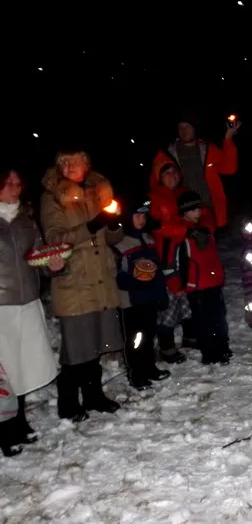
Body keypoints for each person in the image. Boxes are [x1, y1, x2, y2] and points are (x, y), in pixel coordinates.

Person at [40, 150, 125, 420]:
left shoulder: (98, 191)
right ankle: (68, 402)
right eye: (64, 163)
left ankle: (93, 396)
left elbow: (113, 238)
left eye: (74, 162)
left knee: (95, 344)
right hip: (74, 281)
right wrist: (91, 226)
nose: (69, 167)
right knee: (77, 349)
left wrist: (113, 224)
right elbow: (56, 238)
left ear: (85, 164)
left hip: (100, 278)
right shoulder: (53, 197)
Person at [0, 167, 60, 454]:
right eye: (8, 183)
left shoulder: (26, 221)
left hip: (28, 302)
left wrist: (53, 264)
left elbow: (38, 257)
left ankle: (20, 421)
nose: (16, 188)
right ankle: (5, 430)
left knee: (23, 365)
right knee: (5, 371)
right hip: (2, 306)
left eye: (18, 183)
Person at [148, 156, 215, 361]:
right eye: (167, 173)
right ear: (158, 176)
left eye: (174, 171)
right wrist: (184, 230)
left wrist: (204, 229)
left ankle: (190, 336)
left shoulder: (185, 193)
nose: (172, 176)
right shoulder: (153, 197)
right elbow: (156, 226)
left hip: (188, 252)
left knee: (188, 296)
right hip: (166, 254)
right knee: (170, 301)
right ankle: (166, 345)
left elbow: (205, 213)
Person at [113, 201, 171, 390]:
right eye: (137, 216)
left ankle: (149, 367)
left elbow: (157, 271)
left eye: (144, 216)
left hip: (149, 298)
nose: (141, 219)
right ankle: (136, 373)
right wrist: (135, 280)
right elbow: (117, 275)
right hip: (131, 301)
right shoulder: (120, 244)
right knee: (135, 338)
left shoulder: (148, 239)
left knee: (149, 334)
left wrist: (162, 294)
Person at [171, 191, 231, 365]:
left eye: (198, 208)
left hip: (213, 282)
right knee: (204, 321)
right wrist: (178, 283)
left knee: (219, 316)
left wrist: (219, 275)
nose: (197, 212)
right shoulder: (182, 234)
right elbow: (176, 262)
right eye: (193, 210)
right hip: (196, 286)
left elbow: (213, 257)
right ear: (184, 212)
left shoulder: (205, 230)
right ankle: (210, 353)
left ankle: (222, 346)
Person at [151, 113, 239, 230]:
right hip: (184, 215)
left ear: (194, 128)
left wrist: (228, 138)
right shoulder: (169, 154)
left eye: (187, 127)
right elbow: (156, 184)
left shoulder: (207, 149)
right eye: (181, 127)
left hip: (211, 211)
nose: (184, 130)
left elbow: (229, 168)